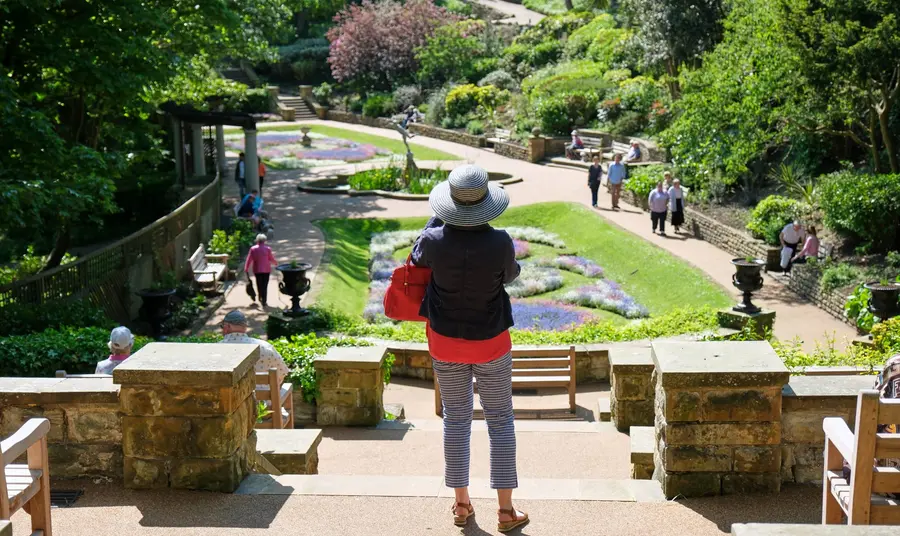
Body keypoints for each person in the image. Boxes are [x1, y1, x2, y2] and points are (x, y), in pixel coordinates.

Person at [411, 164, 528, 533]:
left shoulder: (433, 240)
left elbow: (416, 258)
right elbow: (511, 275)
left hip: (445, 343)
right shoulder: (500, 242)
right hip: (491, 342)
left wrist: (435, 221)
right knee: (500, 421)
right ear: (485, 203)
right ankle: (506, 512)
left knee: (456, 421)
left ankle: (461, 505)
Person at [219, 310, 290, 414]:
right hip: (262, 412)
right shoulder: (265, 347)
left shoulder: (216, 350)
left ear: (227, 326)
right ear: (245, 327)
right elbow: (282, 373)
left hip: (229, 411)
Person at [244, 233, 278, 308]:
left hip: (257, 270)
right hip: (266, 270)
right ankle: (264, 300)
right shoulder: (267, 249)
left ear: (257, 240)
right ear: (264, 240)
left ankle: (260, 297)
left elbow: (249, 259)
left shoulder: (253, 249)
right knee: (265, 285)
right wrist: (275, 263)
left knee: (259, 284)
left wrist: (246, 267)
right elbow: (271, 258)